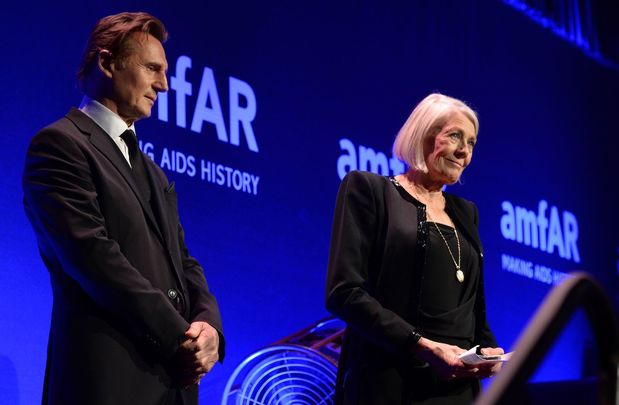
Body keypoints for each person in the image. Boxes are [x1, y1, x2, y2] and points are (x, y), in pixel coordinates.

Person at [22, 12, 224, 405]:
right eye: (152, 69)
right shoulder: (60, 145)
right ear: (106, 62)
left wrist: (209, 327)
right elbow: (95, 260)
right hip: (107, 382)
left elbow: (183, 263)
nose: (164, 85)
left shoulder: (153, 171)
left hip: (173, 386)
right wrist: (177, 336)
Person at [325, 93, 504, 404]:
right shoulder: (370, 190)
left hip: (457, 387)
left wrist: (487, 348)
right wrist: (422, 346)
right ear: (424, 134)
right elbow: (344, 293)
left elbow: (474, 305)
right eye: (455, 136)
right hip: (391, 380)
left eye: (472, 143)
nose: (464, 151)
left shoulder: (466, 212)